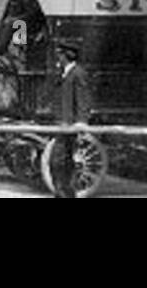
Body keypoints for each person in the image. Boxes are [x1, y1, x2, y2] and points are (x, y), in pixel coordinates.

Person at [53, 38, 92, 199]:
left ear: (66, 56)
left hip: (70, 124)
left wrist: (82, 123)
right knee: (61, 159)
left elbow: (83, 100)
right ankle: (63, 192)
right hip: (63, 122)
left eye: (59, 55)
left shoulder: (78, 73)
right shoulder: (65, 72)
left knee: (59, 159)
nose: (57, 58)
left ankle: (65, 192)